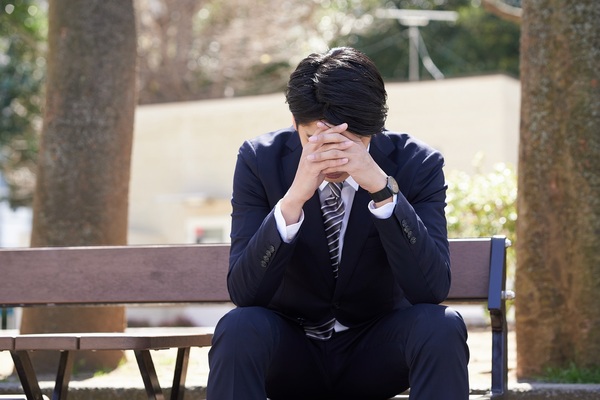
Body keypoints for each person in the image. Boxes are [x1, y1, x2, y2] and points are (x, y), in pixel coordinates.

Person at [207, 47, 469, 400]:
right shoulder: (260, 160)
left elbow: (431, 289)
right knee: (238, 327)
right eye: (314, 140)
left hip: (376, 353)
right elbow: (245, 293)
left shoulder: (417, 163)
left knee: (442, 327)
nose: (332, 157)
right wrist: (293, 200)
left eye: (349, 142)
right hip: (292, 352)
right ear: (294, 123)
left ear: (374, 128)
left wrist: (382, 189)